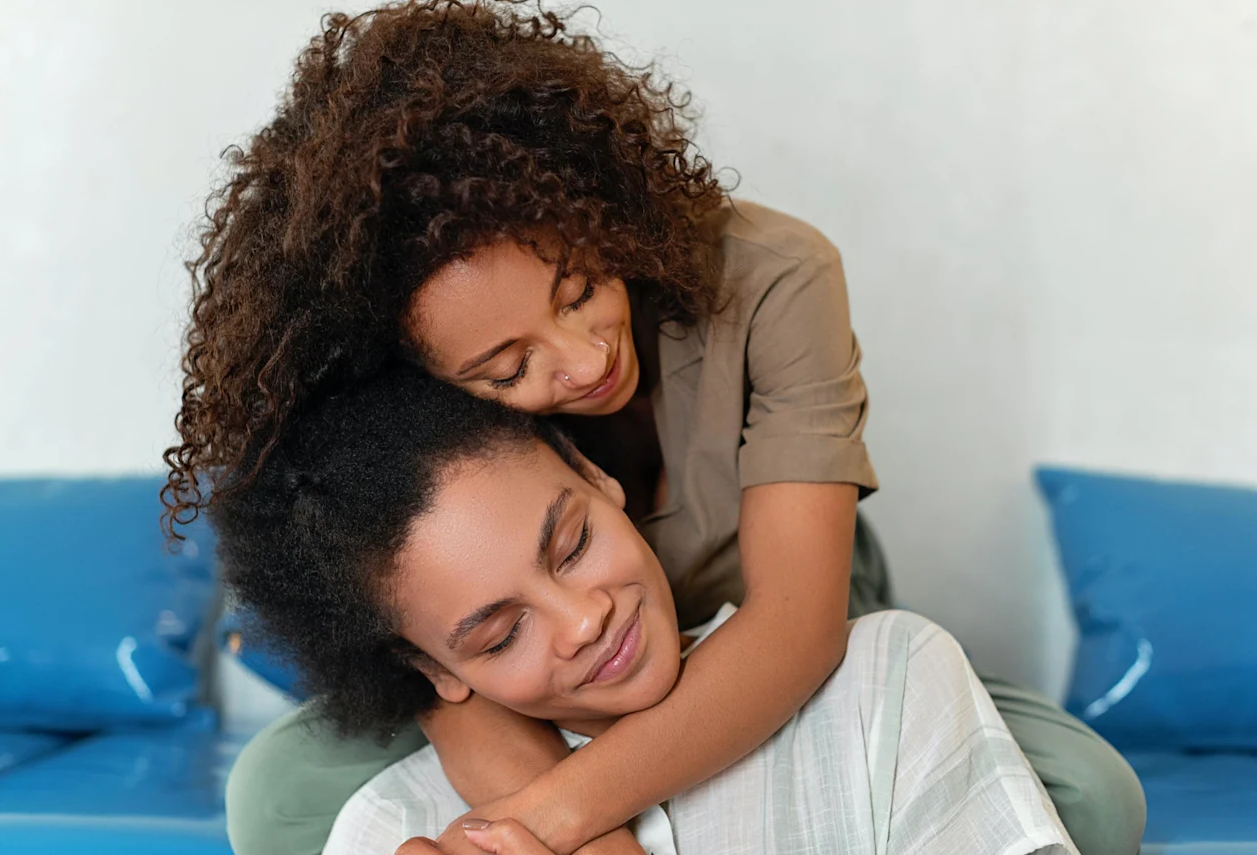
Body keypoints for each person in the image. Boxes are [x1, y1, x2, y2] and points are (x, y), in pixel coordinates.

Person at [165, 3, 1145, 853]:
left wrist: (553, 822)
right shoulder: (405, 389)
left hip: (776, 622)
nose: (586, 360)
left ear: (584, 204)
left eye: (581, 287)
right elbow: (456, 671)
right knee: (281, 799)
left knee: (1084, 801)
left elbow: (793, 631)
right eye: (506, 369)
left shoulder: (773, 275)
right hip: (538, 687)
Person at [210, 370, 1078, 855]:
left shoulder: (890, 682)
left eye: (573, 543)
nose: (582, 618)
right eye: (503, 631)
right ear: (435, 673)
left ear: (599, 479)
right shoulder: (389, 829)